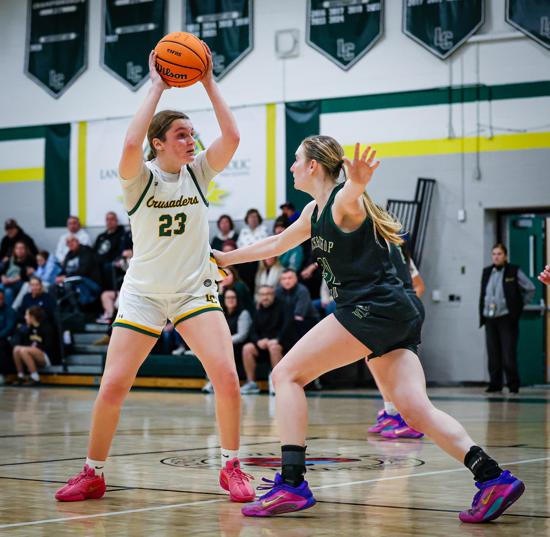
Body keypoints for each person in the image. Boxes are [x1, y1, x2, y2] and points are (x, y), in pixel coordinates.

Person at [214, 136, 524, 522]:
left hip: (370, 310)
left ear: (313, 166)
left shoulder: (344, 201)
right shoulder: (314, 211)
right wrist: (225, 257)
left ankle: (292, 483)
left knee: (285, 375)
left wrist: (358, 181)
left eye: (296, 160)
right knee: (415, 411)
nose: (292, 167)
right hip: (395, 313)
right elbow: (278, 242)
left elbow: (352, 196)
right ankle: (493, 477)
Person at [55, 47, 254, 503]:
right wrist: (157, 87)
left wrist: (208, 81)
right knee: (113, 386)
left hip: (193, 291)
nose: (191, 140)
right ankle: (92, 473)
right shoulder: (139, 178)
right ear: (159, 142)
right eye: (181, 134)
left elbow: (233, 136)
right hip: (143, 294)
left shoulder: (198, 174)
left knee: (226, 376)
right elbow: (130, 145)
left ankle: (231, 467)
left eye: (192, 133)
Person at [367, 242, 424, 439]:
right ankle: (392, 412)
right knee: (374, 359)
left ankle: (412, 419)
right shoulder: (387, 244)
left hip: (400, 305)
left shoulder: (386, 244)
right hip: (394, 305)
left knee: (398, 364)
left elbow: (419, 285)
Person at [479, 243, 535, 395]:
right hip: (490, 318)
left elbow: (530, 288)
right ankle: (495, 384)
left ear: (505, 256)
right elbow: (483, 293)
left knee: (508, 354)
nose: (496, 257)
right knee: (493, 353)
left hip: (506, 318)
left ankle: (513, 384)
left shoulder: (513, 271)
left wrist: (519, 305)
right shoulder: (487, 272)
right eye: (494, 254)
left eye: (499, 254)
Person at [203, 288, 252, 394]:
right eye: (228, 298)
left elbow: (242, 335)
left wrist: (223, 342)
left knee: (219, 351)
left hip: (238, 346)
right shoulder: (221, 313)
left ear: (238, 299)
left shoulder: (243, 313)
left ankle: (214, 383)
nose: (231, 300)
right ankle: (213, 381)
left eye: (233, 297)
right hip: (224, 345)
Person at [240, 285, 286, 395]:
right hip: (263, 346)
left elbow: (287, 328)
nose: (265, 297)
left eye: (268, 294)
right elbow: (252, 331)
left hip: (280, 344)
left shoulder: (284, 307)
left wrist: (277, 340)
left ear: (273, 295)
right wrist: (258, 341)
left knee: (274, 348)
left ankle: (277, 383)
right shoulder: (257, 309)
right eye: (262, 294)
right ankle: (251, 383)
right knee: (247, 348)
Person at [276, 269, 319, 352]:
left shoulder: (302, 291)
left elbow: (298, 317)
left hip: (307, 324)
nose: (287, 281)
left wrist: (280, 337)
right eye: (284, 279)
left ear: (296, 279)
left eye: (290, 278)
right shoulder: (278, 292)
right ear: (280, 281)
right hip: (288, 324)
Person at [12, 306, 56, 385]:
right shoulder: (30, 328)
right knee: (16, 349)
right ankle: (21, 376)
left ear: (32, 317)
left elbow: (49, 346)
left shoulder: (46, 327)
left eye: (26, 315)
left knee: (24, 350)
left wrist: (34, 349)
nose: (25, 317)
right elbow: (26, 344)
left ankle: (35, 378)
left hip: (46, 357)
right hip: (30, 354)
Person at [56, 235, 102, 307]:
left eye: (72, 241)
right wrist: (59, 277)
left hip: (89, 280)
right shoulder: (69, 254)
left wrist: (66, 276)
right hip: (73, 279)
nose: (70, 243)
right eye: (68, 242)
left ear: (78, 241)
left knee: (69, 283)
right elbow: (64, 269)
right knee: (53, 287)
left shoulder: (86, 251)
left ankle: (78, 309)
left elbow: (83, 270)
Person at [236, 208, 269, 294]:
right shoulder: (244, 231)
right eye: (251, 217)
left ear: (259, 218)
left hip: (259, 261)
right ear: (247, 219)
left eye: (255, 217)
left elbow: (264, 246)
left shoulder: (264, 230)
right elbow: (239, 246)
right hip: (245, 261)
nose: (253, 219)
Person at [94, 212, 125, 290]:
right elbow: (94, 251)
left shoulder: (121, 235)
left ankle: (107, 291)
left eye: (112, 219)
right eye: (107, 219)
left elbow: (120, 251)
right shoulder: (101, 236)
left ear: (116, 221)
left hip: (111, 262)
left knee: (106, 267)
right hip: (98, 263)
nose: (109, 221)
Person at [0, 241, 36, 306]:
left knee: (5, 289)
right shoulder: (11, 258)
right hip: (7, 281)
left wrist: (10, 281)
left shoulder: (30, 260)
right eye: (17, 248)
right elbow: (3, 271)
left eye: (22, 248)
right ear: (14, 250)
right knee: (8, 290)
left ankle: (9, 311)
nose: (19, 250)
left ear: (26, 250)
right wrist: (3, 278)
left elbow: (23, 276)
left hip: (20, 282)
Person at [0, 289, 16, 383]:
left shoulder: (10, 311)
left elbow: (9, 328)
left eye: (1, 298)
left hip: (6, 339)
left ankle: (2, 374)